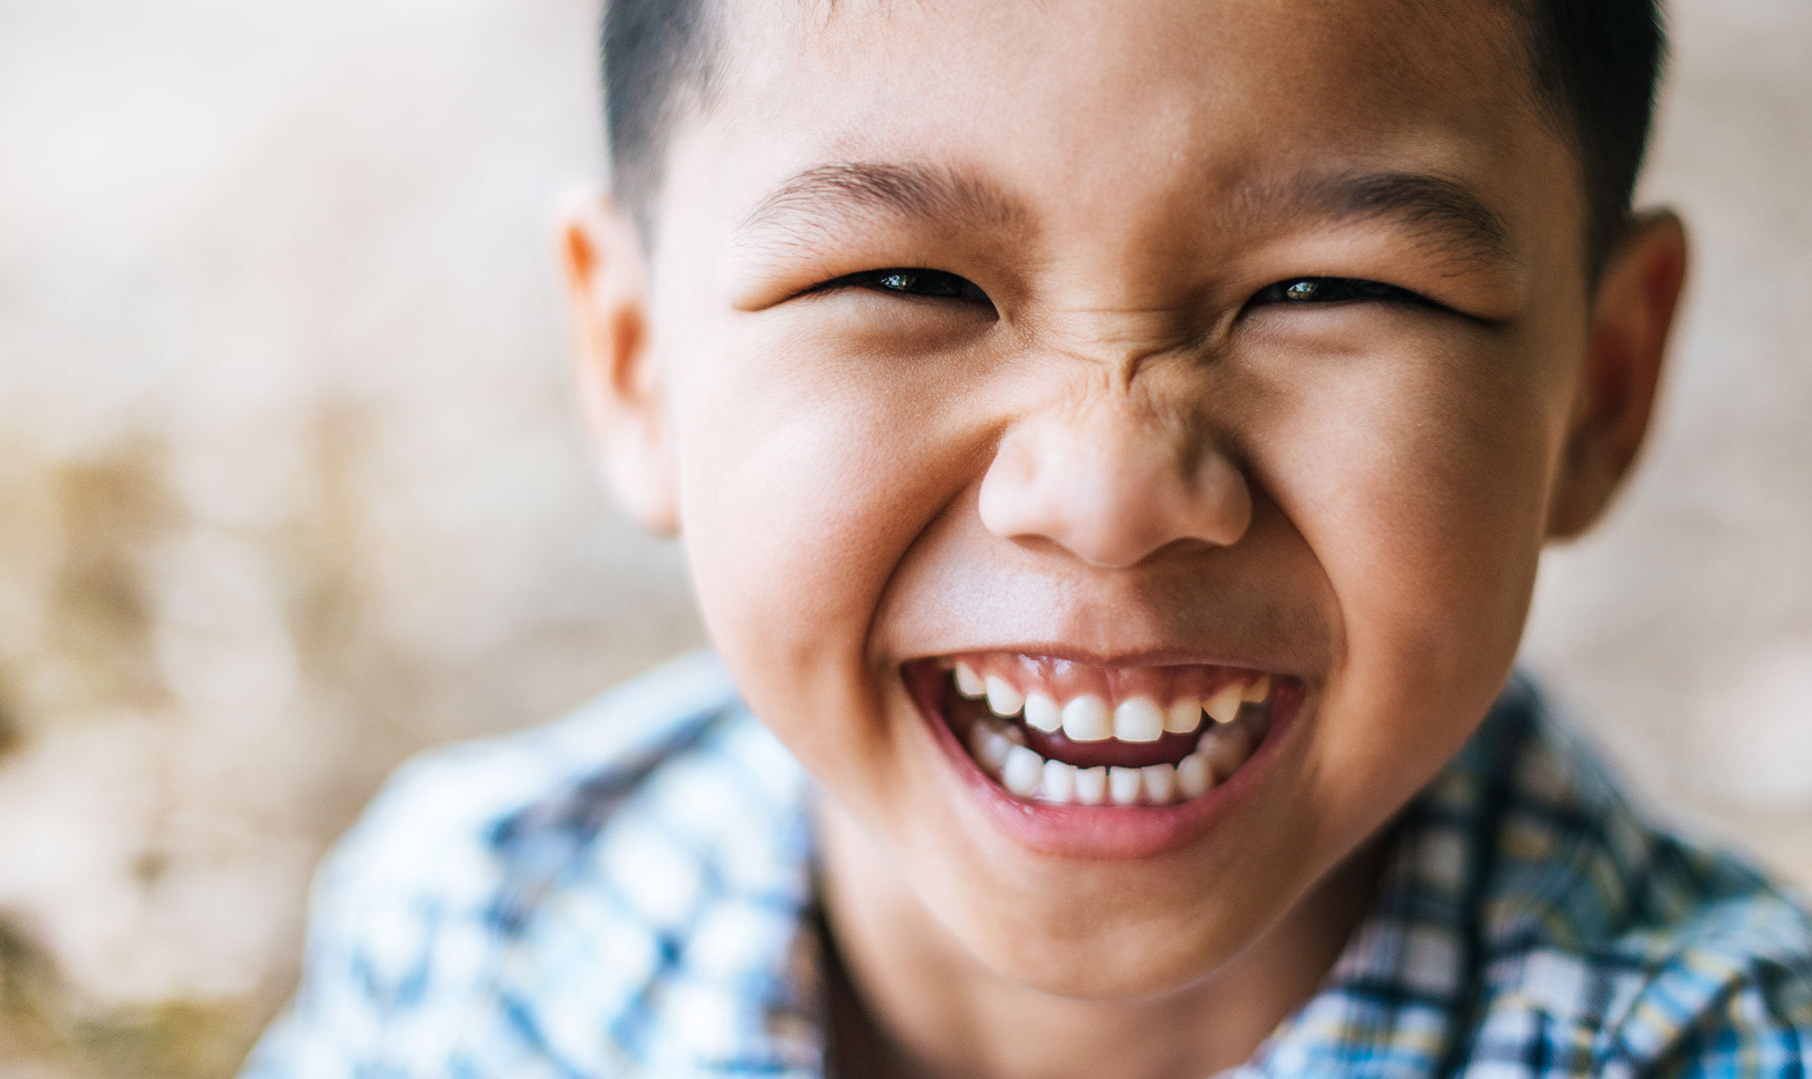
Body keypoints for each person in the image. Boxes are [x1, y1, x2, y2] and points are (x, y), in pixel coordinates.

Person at [241, 1, 1812, 1075]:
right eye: (910, 286)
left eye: (1332, 291)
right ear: (634, 357)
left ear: (1602, 388)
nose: (1110, 490)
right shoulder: (472, 952)